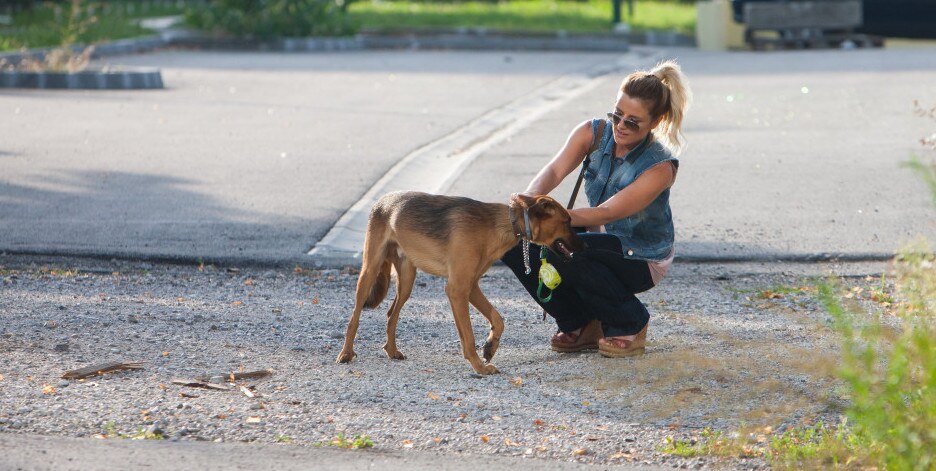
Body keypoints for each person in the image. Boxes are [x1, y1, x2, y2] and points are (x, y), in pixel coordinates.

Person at [502, 60, 691, 358]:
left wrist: (551, 221)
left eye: (632, 122)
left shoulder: (660, 167)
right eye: (617, 115)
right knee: (513, 238)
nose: (620, 126)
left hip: (640, 257)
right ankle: (580, 323)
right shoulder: (593, 132)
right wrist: (524, 205)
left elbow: (606, 213)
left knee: (563, 244)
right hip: (597, 240)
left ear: (655, 122)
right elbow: (553, 171)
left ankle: (630, 321)